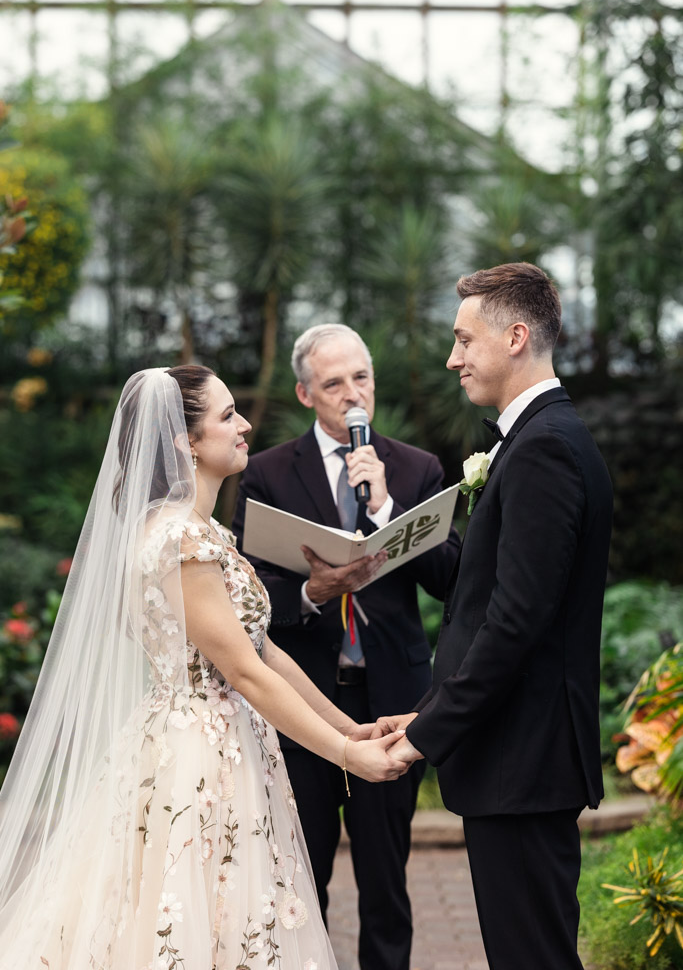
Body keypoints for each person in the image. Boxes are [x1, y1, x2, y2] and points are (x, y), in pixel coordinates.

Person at [0, 364, 409, 970]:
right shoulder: (177, 541)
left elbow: (266, 650)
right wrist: (348, 759)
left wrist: (351, 728)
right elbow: (244, 671)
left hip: (230, 741)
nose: (245, 425)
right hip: (198, 756)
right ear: (184, 441)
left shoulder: (202, 530)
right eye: (226, 416)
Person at [379, 263, 613, 970]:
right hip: (516, 758)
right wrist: (423, 707)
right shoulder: (536, 440)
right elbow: (480, 604)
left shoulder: (542, 448)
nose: (452, 359)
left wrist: (427, 732)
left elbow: (516, 624)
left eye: (462, 340)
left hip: (524, 760)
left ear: (515, 337)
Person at [232, 324, 460, 970]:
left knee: (386, 879)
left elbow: (452, 579)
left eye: (360, 378)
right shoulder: (268, 473)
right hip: (302, 702)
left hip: (390, 696)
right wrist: (310, 592)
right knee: (302, 875)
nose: (351, 393)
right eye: (333, 383)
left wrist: (386, 507)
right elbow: (242, 600)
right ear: (305, 393)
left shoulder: (414, 469)